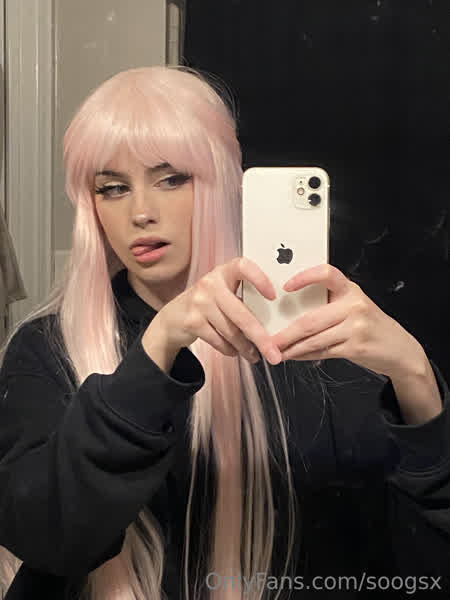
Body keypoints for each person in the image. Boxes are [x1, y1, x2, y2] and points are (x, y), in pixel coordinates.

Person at [0, 65, 449, 600]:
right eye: (112, 188)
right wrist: (158, 350)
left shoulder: (321, 346)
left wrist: (416, 379)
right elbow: (48, 538)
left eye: (172, 179)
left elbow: (415, 562)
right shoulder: (46, 349)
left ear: (224, 182)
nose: (141, 212)